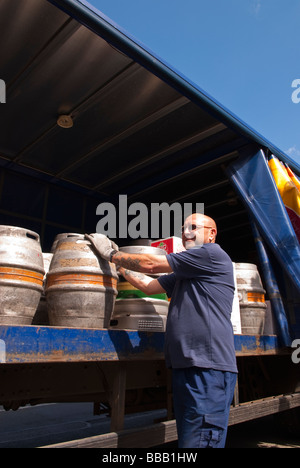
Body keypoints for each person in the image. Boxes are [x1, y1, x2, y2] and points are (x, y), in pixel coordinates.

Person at [85, 213, 238, 448]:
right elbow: (149, 285)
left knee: (201, 442)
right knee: (190, 441)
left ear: (211, 234)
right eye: (184, 228)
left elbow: (151, 264)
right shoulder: (187, 271)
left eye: (193, 227)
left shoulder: (211, 253)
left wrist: (111, 254)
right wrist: (120, 268)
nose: (186, 232)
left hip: (208, 367)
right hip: (187, 366)